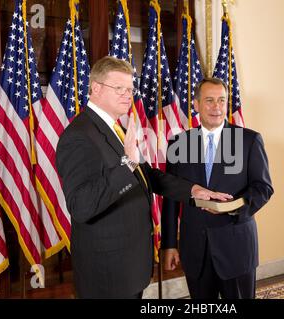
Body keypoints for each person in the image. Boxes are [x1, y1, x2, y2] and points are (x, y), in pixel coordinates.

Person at [55, 57, 232, 299]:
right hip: (108, 273)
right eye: (119, 88)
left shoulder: (114, 128)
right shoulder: (79, 135)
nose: (128, 95)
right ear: (95, 88)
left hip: (129, 264)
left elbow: (147, 176)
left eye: (130, 89)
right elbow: (82, 205)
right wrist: (127, 162)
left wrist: (193, 191)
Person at [161, 78, 274, 299]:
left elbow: (263, 188)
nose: (217, 107)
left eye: (222, 100)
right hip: (195, 249)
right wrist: (169, 245)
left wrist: (232, 207)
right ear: (196, 105)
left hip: (237, 248)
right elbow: (171, 198)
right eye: (210, 100)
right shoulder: (178, 143)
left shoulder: (249, 140)